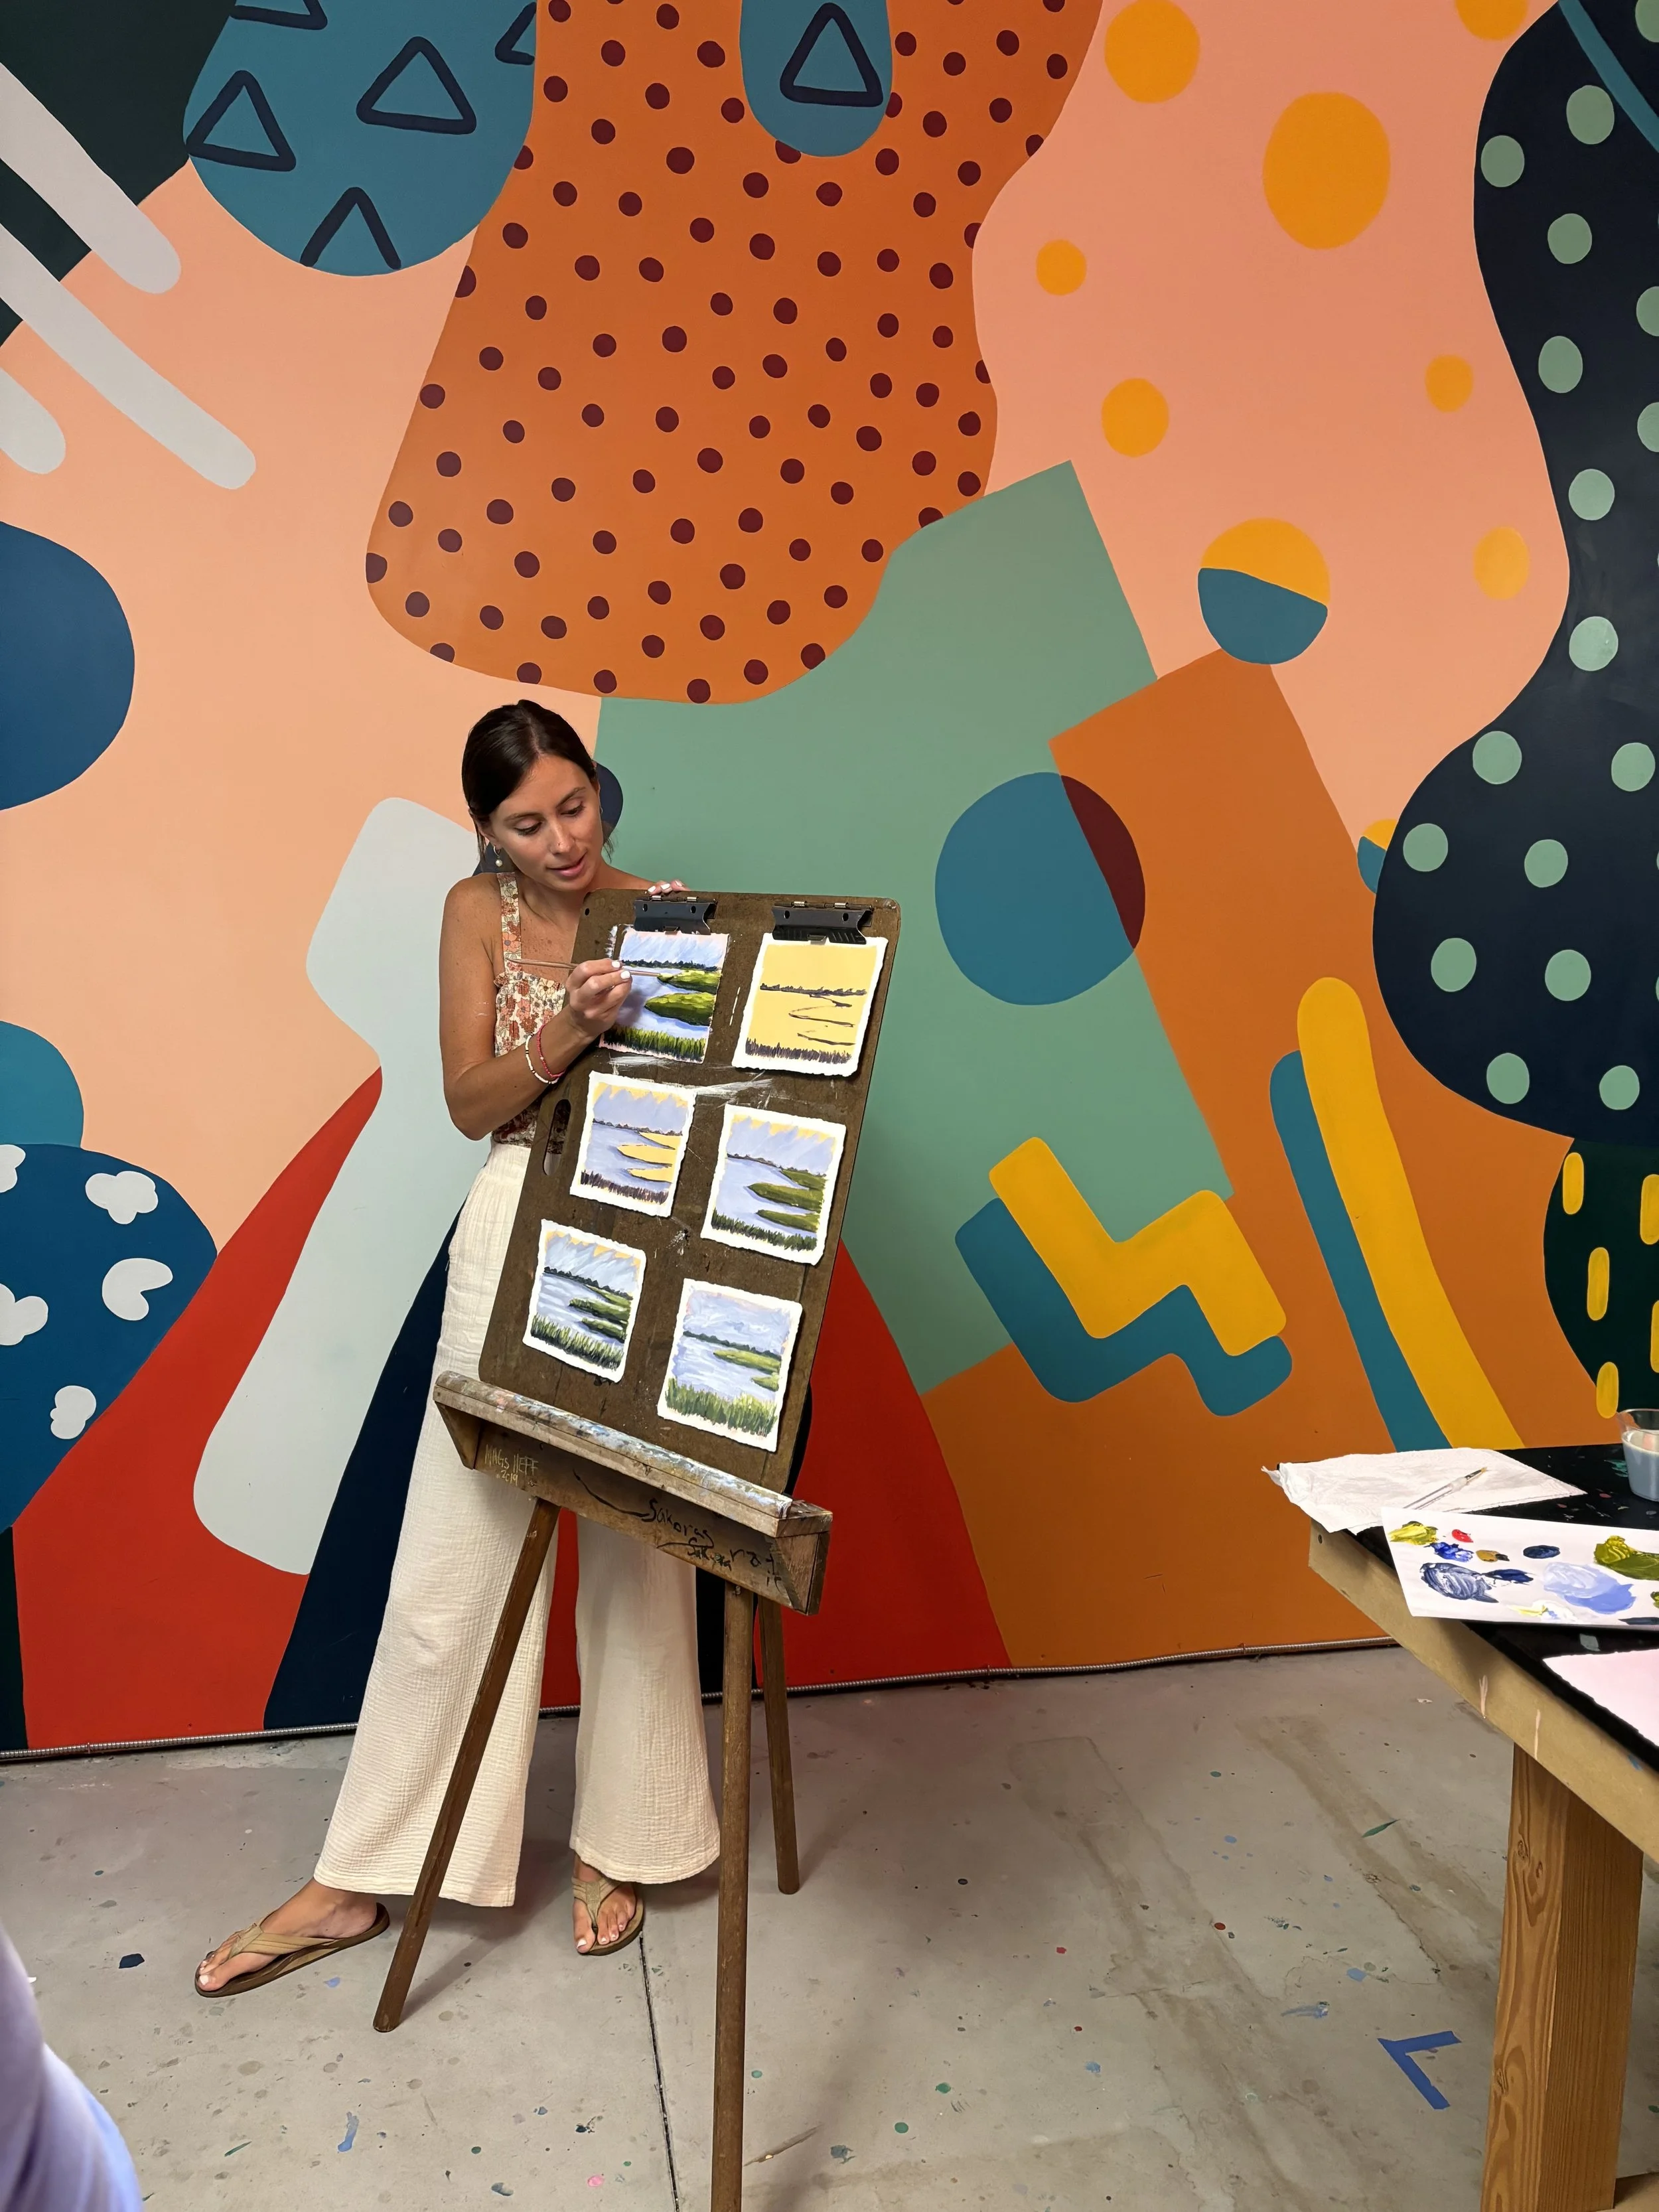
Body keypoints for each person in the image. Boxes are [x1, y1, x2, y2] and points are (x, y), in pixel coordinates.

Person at [196, 703, 719, 1994]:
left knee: (639, 1548)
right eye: (525, 822)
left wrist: (696, 984)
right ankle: (365, 1872)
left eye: (574, 806)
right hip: (511, 1218)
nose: (560, 840)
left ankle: (628, 1839)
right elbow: (467, 1098)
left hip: (644, 1230)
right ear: (487, 830)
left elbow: (717, 1090)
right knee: (455, 1553)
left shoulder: (667, 906)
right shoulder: (470, 913)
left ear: (598, 789)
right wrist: (570, 1030)